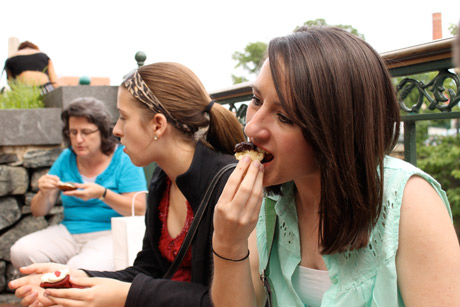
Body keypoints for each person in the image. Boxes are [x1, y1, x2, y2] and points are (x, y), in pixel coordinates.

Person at [211, 27, 460, 307]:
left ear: (334, 130)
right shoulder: (268, 203)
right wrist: (227, 243)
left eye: (284, 117)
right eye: (257, 100)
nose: (251, 127)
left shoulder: (410, 203)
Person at [9, 62, 245, 307]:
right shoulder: (162, 180)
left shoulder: (228, 186)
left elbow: (226, 302)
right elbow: (148, 270)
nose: (116, 129)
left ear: (157, 124)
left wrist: (124, 294)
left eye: (123, 117)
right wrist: (79, 279)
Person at [10, 97, 147, 272]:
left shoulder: (123, 158)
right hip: (70, 232)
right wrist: (44, 193)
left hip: (111, 233)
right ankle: (60, 290)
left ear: (103, 131)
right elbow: (38, 211)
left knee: (80, 267)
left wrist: (103, 194)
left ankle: (68, 288)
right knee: (21, 251)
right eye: (72, 132)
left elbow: (139, 209)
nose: (78, 139)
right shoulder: (67, 157)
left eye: (86, 132)